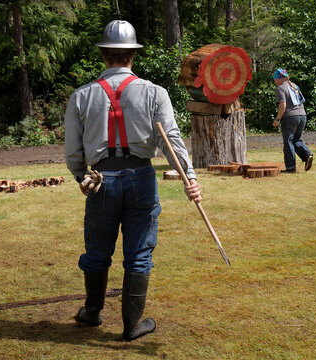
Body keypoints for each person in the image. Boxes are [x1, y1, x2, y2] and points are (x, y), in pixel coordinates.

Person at [64, 20, 202, 341]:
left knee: (98, 251)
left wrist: (81, 177)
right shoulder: (156, 93)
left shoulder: (81, 97)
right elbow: (173, 142)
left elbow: (73, 151)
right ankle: (131, 326)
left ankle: (93, 313)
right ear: (133, 56)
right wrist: (189, 177)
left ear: (103, 55)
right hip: (141, 178)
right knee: (139, 254)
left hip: (100, 181)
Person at [272, 68, 313, 172]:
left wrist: (277, 119)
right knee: (296, 139)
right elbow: (301, 100)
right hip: (302, 115)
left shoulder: (281, 88)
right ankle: (307, 155)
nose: (274, 81)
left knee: (288, 141)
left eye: (275, 78)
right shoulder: (294, 86)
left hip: (290, 117)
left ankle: (290, 168)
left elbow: (283, 105)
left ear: (280, 78)